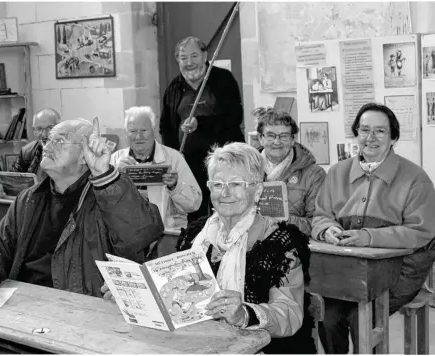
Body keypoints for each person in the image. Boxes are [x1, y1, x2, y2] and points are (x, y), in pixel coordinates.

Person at [0, 117, 164, 300]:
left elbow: (142, 235)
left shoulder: (108, 195)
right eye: (47, 140)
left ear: (85, 155)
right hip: (26, 304)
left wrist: (104, 176)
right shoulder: (29, 199)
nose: (47, 147)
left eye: (59, 141)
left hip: (80, 308)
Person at [311, 102, 435, 354]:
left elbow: (420, 232)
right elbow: (321, 216)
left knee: (363, 319)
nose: (371, 138)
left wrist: (367, 237)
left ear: (393, 137)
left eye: (380, 131)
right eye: (364, 130)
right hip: (348, 269)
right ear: (356, 134)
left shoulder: (415, 178)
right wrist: (327, 229)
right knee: (328, 317)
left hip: (402, 268)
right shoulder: (336, 173)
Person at [174, 142, 316, 354]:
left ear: (258, 191)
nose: (225, 193)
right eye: (218, 184)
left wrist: (244, 314)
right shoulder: (195, 236)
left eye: (237, 184)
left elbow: (289, 312)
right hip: (199, 344)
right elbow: (175, 293)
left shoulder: (280, 243)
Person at [159, 36, 245, 223]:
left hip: (224, 162)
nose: (189, 63)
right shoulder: (173, 88)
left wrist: (201, 123)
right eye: (183, 58)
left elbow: (234, 116)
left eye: (194, 56)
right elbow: (166, 126)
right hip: (189, 164)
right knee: (195, 214)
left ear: (205, 55)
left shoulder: (223, 79)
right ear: (177, 61)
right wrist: (174, 156)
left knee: (226, 210)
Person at [111, 106, 202, 235]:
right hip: (126, 237)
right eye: (132, 131)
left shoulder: (173, 158)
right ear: (126, 133)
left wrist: (175, 186)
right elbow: (99, 204)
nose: (138, 136)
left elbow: (194, 203)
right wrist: (115, 176)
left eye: (144, 130)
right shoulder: (114, 160)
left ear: (153, 130)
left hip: (167, 236)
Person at [254, 108, 326, 236]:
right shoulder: (246, 169)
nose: (277, 142)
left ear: (293, 139)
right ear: (260, 138)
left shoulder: (314, 175)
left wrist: (283, 220)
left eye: (284, 136)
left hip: (294, 248)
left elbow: (318, 224)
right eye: (270, 135)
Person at [0, 108, 61, 198]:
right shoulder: (26, 152)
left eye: (50, 128)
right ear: (34, 131)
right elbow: (13, 180)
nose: (45, 135)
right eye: (39, 129)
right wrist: (1, 187)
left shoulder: (70, 152)